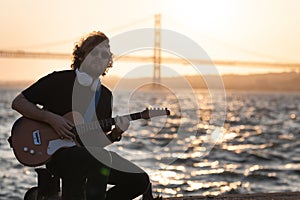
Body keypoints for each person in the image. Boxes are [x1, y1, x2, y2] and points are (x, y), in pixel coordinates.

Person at [11, 31, 161, 200]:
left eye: (104, 55)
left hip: (88, 157)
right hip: (57, 156)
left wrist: (115, 134)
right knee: (96, 159)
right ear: (81, 56)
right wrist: (52, 119)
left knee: (139, 180)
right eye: (93, 52)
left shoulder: (105, 96)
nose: (99, 57)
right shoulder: (59, 80)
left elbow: (96, 142)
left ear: (108, 62)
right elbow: (18, 102)